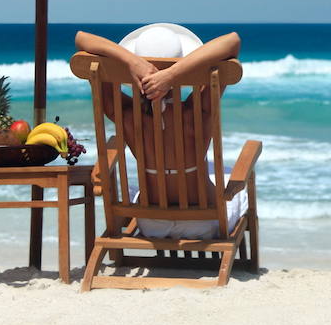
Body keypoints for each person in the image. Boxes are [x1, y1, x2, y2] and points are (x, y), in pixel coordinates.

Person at [74, 24, 241, 230]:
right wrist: (172, 75)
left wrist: (132, 62)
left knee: (134, 189)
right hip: (204, 221)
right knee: (233, 179)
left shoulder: (126, 114)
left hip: (151, 223)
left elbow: (82, 39)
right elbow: (232, 41)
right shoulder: (197, 113)